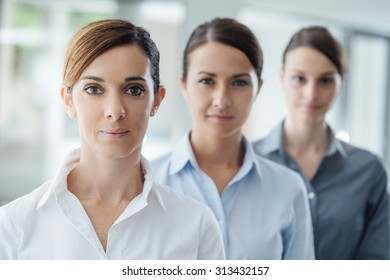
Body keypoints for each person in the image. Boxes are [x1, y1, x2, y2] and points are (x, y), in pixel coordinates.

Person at [0, 19, 225, 260]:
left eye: (134, 90)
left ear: (157, 100)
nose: (115, 111)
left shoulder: (196, 226)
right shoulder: (13, 227)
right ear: (68, 100)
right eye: (94, 89)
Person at [151, 17, 315, 260]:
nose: (222, 100)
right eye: (207, 81)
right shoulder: (145, 183)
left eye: (239, 82)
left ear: (257, 88)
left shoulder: (288, 189)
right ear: (184, 86)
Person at [252, 26, 389, 259]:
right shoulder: (247, 161)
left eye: (325, 81)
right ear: (282, 78)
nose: (311, 93)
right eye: (299, 79)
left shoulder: (368, 170)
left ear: (341, 82)